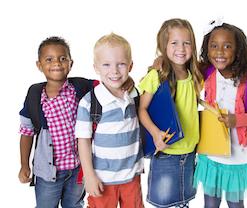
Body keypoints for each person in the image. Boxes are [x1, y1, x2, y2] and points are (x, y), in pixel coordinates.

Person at [18, 36, 134, 208]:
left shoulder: (81, 86)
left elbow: (109, 84)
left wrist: (127, 81)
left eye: (62, 58)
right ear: (39, 65)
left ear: (70, 63)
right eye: (49, 59)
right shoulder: (35, 95)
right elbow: (26, 132)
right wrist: (24, 164)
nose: (56, 63)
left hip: (78, 169)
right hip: (49, 173)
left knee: (74, 204)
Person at [193, 20, 247, 208]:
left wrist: (237, 120)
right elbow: (182, 67)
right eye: (214, 46)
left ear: (238, 50)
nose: (219, 52)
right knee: (210, 203)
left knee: (235, 203)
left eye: (227, 46)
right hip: (211, 152)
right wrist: (160, 61)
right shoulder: (207, 72)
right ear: (207, 49)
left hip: (238, 154)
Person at [139, 18, 203, 208]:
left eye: (187, 43)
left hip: (190, 153)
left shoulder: (194, 75)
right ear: (163, 46)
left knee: (183, 202)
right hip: (167, 152)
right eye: (174, 43)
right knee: (165, 203)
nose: (181, 48)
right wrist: (155, 134)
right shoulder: (156, 76)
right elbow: (141, 110)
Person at [75, 33, 144, 208]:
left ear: (131, 65)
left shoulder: (134, 94)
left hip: (131, 176)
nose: (114, 71)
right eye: (106, 64)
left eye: (121, 64)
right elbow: (83, 142)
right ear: (96, 67)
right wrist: (89, 176)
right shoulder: (89, 103)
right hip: (102, 178)